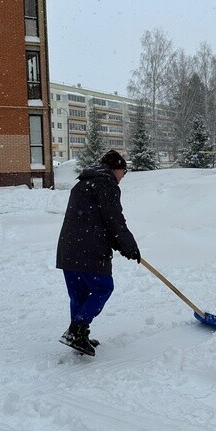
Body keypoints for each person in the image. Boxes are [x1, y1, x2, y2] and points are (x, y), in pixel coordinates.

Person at [56, 149, 140, 356]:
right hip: (89, 248)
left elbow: (97, 219)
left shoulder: (83, 183)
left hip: (69, 246)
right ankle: (77, 330)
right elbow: (114, 220)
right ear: (116, 169)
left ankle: (78, 333)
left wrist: (122, 246)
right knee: (103, 287)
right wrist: (129, 245)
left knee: (79, 293)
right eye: (124, 172)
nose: (123, 176)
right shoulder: (106, 184)